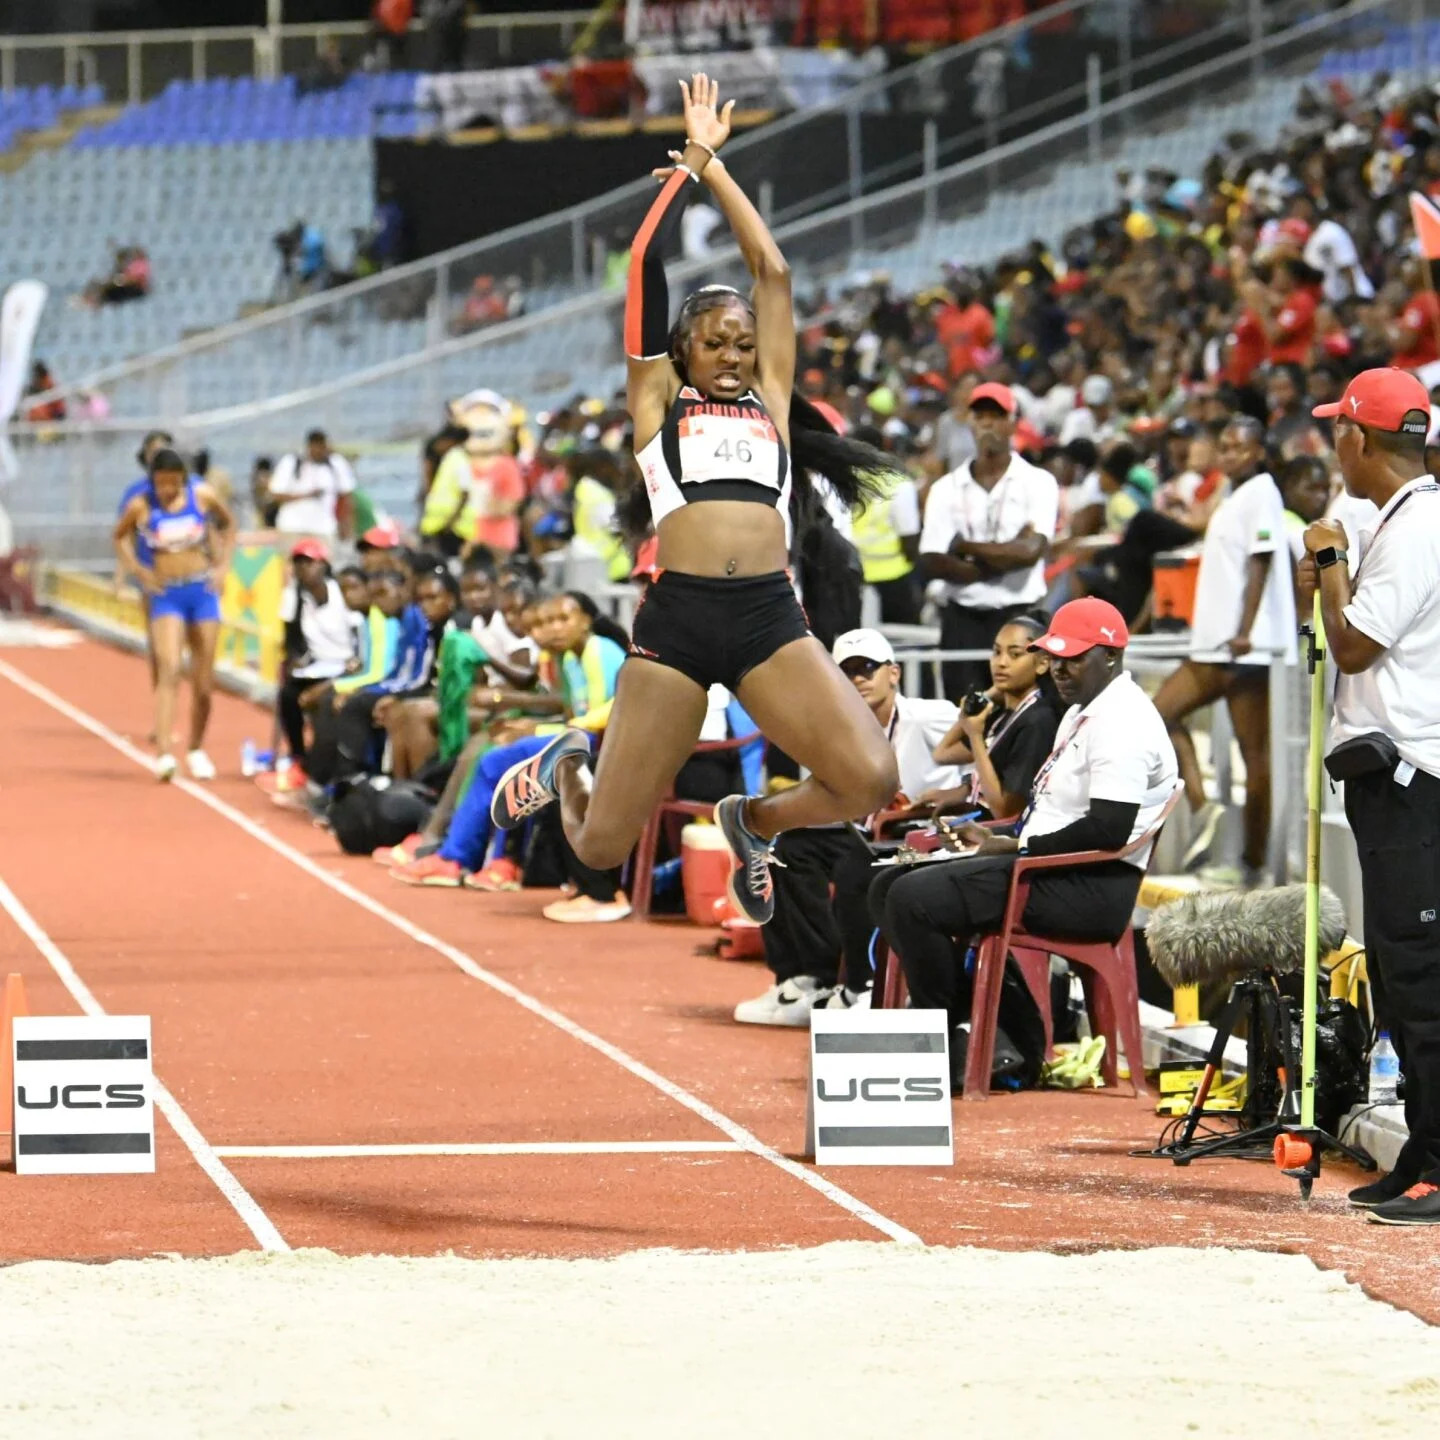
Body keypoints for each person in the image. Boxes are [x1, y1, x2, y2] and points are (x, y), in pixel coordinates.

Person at [479, 73, 900, 926]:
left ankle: (752, 821)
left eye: (745, 341)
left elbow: (771, 268)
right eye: (716, 341)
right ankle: (570, 763)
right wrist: (687, 166)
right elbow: (642, 261)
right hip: (677, 624)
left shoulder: (771, 401)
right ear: (680, 349)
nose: (736, 353)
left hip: (765, 619)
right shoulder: (657, 403)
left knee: (870, 779)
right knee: (599, 848)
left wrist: (722, 172)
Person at [873, 598, 1179, 1084]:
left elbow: (1108, 829)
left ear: (1112, 656)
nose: (1059, 668)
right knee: (889, 883)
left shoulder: (1123, 723)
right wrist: (1000, 836)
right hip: (1050, 868)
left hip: (1087, 887)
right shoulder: (1085, 711)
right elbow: (1051, 811)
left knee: (913, 897)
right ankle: (963, 1030)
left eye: (1073, 657)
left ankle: (939, 1044)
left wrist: (1016, 848)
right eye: (1055, 657)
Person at [1300, 367, 1440, 1224]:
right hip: (1392, 782)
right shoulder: (1405, 519)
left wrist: (1332, 564)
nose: (1333, 448)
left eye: (1337, 433)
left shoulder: (1418, 528)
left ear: (1358, 438)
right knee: (1397, 973)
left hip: (1412, 784)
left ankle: (1438, 1166)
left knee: (1423, 978)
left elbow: (1351, 647)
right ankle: (1421, 1152)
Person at [734, 628, 965, 1026]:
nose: (858, 679)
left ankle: (861, 985)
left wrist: (955, 795)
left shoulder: (931, 715)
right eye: (848, 672)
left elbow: (985, 751)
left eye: (868, 669)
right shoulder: (835, 726)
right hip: (864, 828)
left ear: (893, 673)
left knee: (854, 870)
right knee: (780, 850)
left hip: (920, 832)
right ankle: (808, 978)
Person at [1153, 416, 1294, 884]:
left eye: (1239, 447)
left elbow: (1263, 561)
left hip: (1245, 647)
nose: (1229, 454)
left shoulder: (1263, 493)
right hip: (1218, 644)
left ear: (1259, 452)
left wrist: (1246, 629)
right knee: (1160, 714)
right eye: (1225, 445)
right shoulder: (1236, 495)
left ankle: (1254, 864)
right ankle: (1202, 803)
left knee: (1256, 758)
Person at [919, 381, 1060, 697]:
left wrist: (964, 548)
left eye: (996, 416)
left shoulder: (1038, 482)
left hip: (1018, 613)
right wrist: (1003, 557)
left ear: (1013, 422)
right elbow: (931, 560)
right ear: (969, 422)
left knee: (1023, 711)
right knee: (965, 712)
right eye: (979, 416)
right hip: (963, 618)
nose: (986, 423)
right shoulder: (946, 488)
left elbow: (1031, 551)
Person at [113, 448, 235, 781]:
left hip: (202, 592)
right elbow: (119, 536)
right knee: (168, 667)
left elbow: (229, 525)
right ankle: (165, 752)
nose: (166, 490)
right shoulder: (142, 506)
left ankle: (196, 747)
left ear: (183, 478)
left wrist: (223, 566)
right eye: (160, 483)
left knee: (204, 682)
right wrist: (139, 571)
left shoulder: (203, 496)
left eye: (172, 483)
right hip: (167, 594)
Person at [928, 612, 1061, 821]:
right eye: (997, 652)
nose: (1001, 663)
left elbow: (1005, 811)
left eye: (1015, 654)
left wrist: (975, 736)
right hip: (978, 822)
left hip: (1001, 835)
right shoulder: (1003, 714)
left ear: (1042, 663)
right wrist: (988, 695)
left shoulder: (1037, 721)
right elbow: (942, 754)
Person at [276, 540, 364, 770]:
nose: (303, 569)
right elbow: (290, 639)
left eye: (309, 562)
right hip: (315, 665)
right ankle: (298, 754)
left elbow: (360, 640)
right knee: (288, 695)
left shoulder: (343, 593)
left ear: (324, 565)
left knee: (324, 702)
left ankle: (322, 763)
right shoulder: (293, 596)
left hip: (345, 666)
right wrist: (293, 660)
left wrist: (350, 668)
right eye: (298, 564)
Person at [265, 430, 356, 540]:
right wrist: (307, 496)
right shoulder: (292, 462)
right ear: (309, 446)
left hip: (323, 529)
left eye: (322, 447)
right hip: (292, 528)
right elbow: (275, 494)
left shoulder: (336, 463)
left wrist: (345, 525)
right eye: (316, 446)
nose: (319, 451)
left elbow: (346, 496)